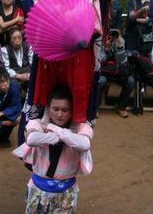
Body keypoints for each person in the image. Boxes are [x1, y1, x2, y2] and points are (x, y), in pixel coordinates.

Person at [13, 86, 93, 214]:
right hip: (38, 189)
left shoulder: (80, 127)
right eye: (55, 109)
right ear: (48, 109)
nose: (60, 114)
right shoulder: (38, 123)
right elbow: (32, 139)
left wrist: (56, 130)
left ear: (72, 111)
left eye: (65, 110)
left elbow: (84, 144)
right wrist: (62, 135)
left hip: (65, 192)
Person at [98, 29, 135, 118]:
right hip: (105, 71)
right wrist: (106, 49)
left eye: (115, 34)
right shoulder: (100, 41)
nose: (112, 36)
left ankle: (121, 107)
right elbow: (100, 60)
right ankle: (95, 107)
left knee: (130, 81)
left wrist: (119, 46)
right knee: (100, 81)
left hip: (119, 72)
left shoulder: (121, 41)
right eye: (110, 33)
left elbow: (122, 61)